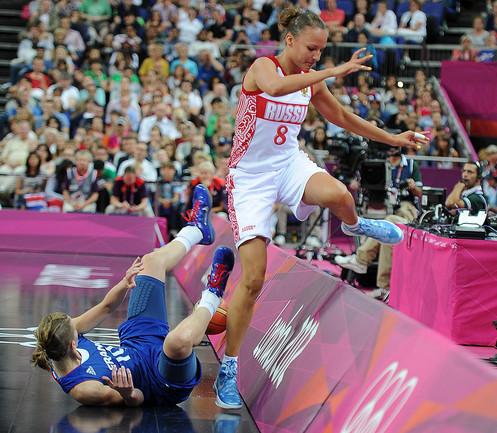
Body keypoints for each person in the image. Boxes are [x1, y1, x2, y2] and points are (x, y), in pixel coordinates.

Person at [213, 7, 428, 409]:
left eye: (321, 51)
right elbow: (277, 87)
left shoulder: (310, 81)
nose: (316, 56)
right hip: (251, 179)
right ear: (290, 40)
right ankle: (229, 366)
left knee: (340, 196)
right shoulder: (264, 67)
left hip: (288, 165)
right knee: (253, 279)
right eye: (311, 48)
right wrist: (332, 71)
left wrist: (393, 138)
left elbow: (343, 116)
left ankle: (356, 225)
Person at [32, 184, 236, 406]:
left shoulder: (62, 336)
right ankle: (213, 294)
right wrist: (127, 393)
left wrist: (124, 283)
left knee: (149, 262)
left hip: (138, 343)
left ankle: (196, 229)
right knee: (177, 341)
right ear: (73, 345)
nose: (75, 324)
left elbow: (106, 307)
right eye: (73, 329)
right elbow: (138, 399)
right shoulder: (84, 388)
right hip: (160, 381)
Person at [335, 147, 423, 302]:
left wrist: (413, 186)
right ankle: (382, 286)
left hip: (404, 207)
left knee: (389, 223)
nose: (392, 148)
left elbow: (420, 192)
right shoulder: (376, 162)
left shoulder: (410, 165)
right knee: (386, 229)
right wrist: (357, 183)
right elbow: (360, 184)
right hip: (381, 202)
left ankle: (361, 260)